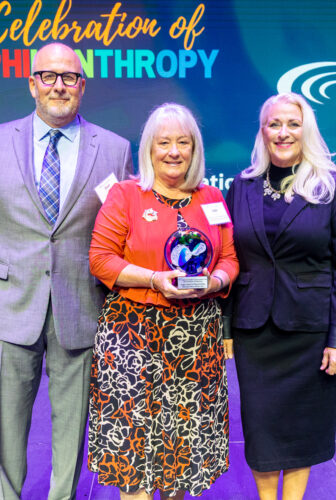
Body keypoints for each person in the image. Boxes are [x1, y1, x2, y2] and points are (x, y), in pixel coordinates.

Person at [0, 43, 132, 500]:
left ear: (82, 86)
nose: (59, 85)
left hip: (83, 308)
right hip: (8, 307)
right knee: (5, 425)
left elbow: (123, 233)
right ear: (31, 84)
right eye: (48, 76)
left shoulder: (114, 149)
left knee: (73, 427)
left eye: (69, 77)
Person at [87, 103, 239, 499]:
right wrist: (155, 279)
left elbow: (229, 258)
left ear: (195, 149)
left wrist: (214, 282)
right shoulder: (125, 195)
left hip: (195, 344)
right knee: (135, 457)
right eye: (164, 142)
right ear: (149, 149)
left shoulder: (212, 198)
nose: (173, 151)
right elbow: (101, 260)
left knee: (182, 454)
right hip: (133, 338)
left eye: (183, 142)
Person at [224, 92, 336, 500]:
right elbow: (232, 260)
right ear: (262, 132)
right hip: (255, 332)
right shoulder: (242, 184)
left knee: (302, 428)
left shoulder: (332, 185)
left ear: (307, 129)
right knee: (261, 427)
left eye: (292, 124)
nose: (283, 132)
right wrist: (226, 327)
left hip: (310, 332)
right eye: (274, 124)